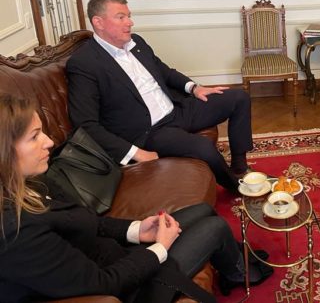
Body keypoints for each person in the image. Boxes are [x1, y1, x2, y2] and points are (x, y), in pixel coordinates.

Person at [0, 94, 272, 302]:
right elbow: (104, 285)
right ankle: (236, 271)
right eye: (34, 137)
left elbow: (88, 221)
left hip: (115, 253)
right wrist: (160, 247)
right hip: (128, 285)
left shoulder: (30, 180)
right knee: (215, 226)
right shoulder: (15, 231)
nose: (49, 142)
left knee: (202, 210)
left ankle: (234, 270)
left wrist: (138, 229)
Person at [67, 0, 252, 191]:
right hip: (150, 132)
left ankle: (240, 167)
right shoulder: (84, 63)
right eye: (121, 17)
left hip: (176, 110)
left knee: (238, 97)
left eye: (129, 16)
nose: (130, 22)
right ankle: (240, 188)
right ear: (98, 22)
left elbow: (164, 71)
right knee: (203, 147)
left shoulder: (136, 42)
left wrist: (194, 88)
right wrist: (136, 153)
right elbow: (85, 124)